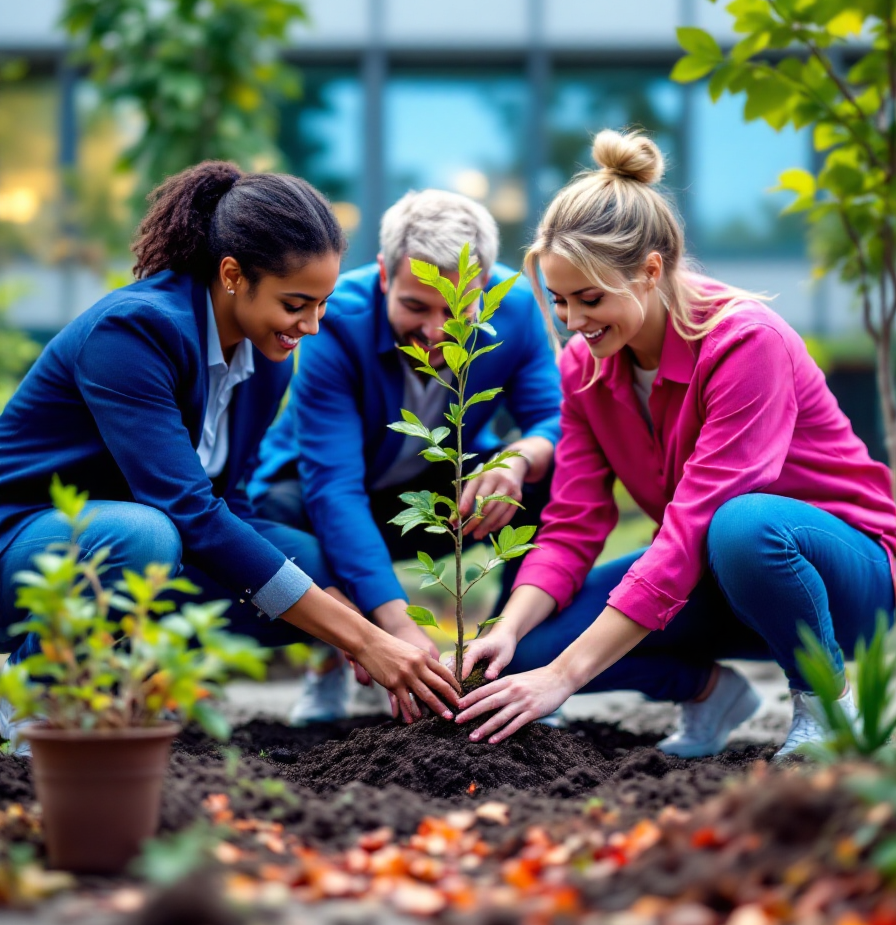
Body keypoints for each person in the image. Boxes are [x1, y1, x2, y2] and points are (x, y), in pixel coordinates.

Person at [454, 129, 896, 758]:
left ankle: (827, 707)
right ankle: (709, 693)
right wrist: (510, 627)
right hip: (715, 576)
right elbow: (572, 523)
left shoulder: (745, 343)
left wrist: (566, 679)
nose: (574, 323)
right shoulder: (585, 367)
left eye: (590, 298)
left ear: (650, 271)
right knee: (525, 655)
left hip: (844, 577)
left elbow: (695, 524)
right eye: (558, 302)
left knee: (743, 525)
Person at [0, 162, 458, 753]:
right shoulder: (133, 334)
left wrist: (350, 623)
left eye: (321, 304)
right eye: (296, 303)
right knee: (147, 536)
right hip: (24, 548)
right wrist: (365, 638)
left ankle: (128, 672)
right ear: (233, 274)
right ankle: (31, 703)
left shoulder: (266, 358)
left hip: (116, 553)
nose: (312, 326)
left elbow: (230, 503)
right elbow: (190, 512)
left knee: (315, 563)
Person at [250, 188, 562, 722]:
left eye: (456, 310)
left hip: (438, 491)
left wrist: (521, 456)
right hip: (317, 501)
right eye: (415, 306)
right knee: (281, 519)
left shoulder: (516, 309)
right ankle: (334, 656)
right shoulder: (335, 323)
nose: (436, 331)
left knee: (545, 482)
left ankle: (511, 667)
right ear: (384, 274)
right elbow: (335, 491)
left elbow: (557, 420)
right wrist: (398, 630)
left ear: (483, 285)